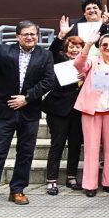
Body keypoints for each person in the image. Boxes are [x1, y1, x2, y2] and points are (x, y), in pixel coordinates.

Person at [0, 21, 55, 212]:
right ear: (18, 36)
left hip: (29, 111)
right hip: (4, 111)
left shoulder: (45, 55)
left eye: (33, 34)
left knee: (26, 153)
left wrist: (27, 98)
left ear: (38, 36)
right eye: (25, 34)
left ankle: (17, 190)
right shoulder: (4, 50)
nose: (29, 37)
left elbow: (48, 81)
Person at [73, 32, 109, 197]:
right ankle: (90, 184)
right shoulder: (92, 61)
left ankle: (108, 182)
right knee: (91, 148)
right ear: (100, 47)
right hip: (93, 109)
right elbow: (78, 64)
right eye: (104, 44)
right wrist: (88, 44)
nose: (108, 48)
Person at [42, 25, 85, 195]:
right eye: (72, 46)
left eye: (78, 47)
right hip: (58, 110)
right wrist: (60, 36)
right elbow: (51, 51)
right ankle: (51, 180)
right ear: (66, 49)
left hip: (78, 110)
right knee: (57, 144)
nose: (75, 49)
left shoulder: (86, 64)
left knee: (75, 144)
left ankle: (71, 176)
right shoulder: (58, 58)